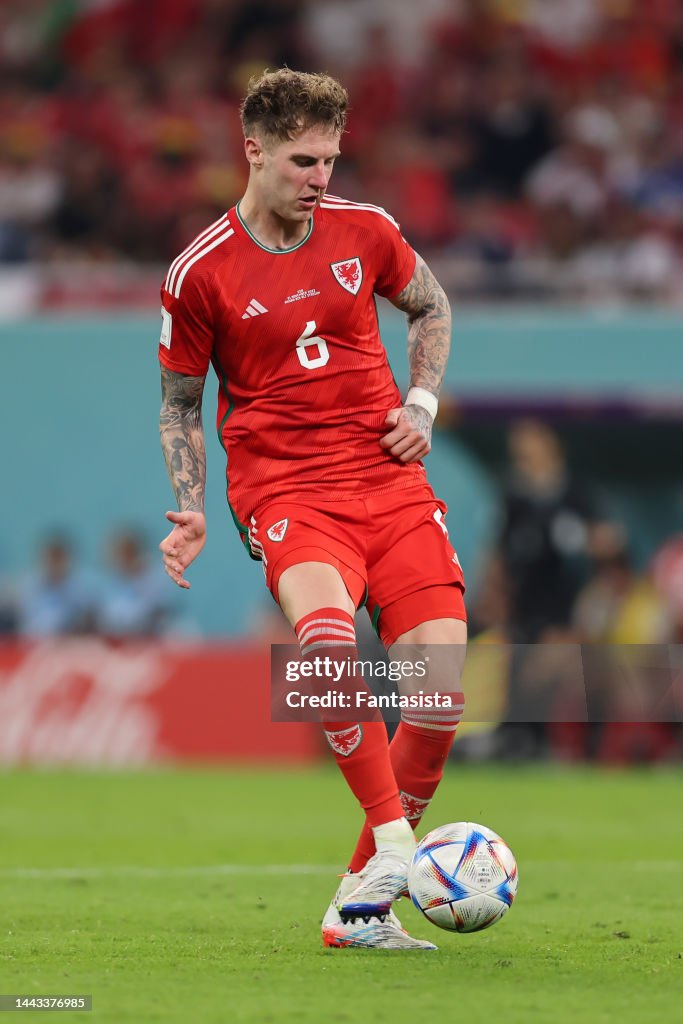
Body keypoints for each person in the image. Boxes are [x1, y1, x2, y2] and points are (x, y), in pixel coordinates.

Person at [157, 69, 467, 950]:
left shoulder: (364, 231)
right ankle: (399, 846)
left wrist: (421, 404)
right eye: (302, 160)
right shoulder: (199, 270)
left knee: (440, 691)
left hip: (389, 481)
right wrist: (190, 508)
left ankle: (359, 906)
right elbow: (180, 403)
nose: (319, 177)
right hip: (288, 489)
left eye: (329, 159)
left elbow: (430, 303)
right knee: (324, 643)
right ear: (251, 149)